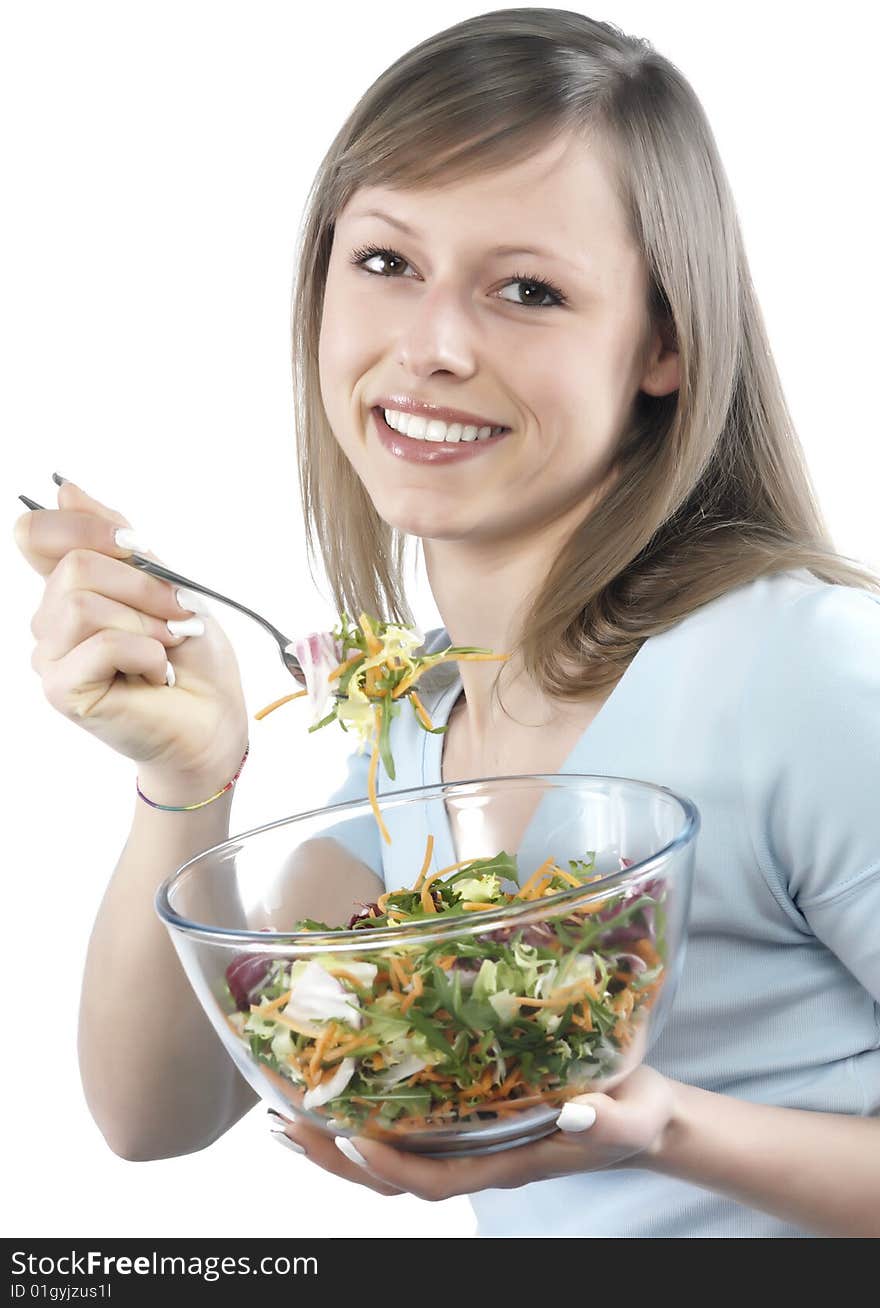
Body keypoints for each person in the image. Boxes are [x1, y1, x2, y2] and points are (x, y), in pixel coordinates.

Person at [14, 9, 880, 1238]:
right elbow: (161, 1112)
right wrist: (186, 777)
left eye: (528, 290)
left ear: (664, 345)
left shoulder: (803, 673)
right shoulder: (417, 723)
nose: (430, 348)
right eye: (385, 263)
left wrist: (667, 1125)